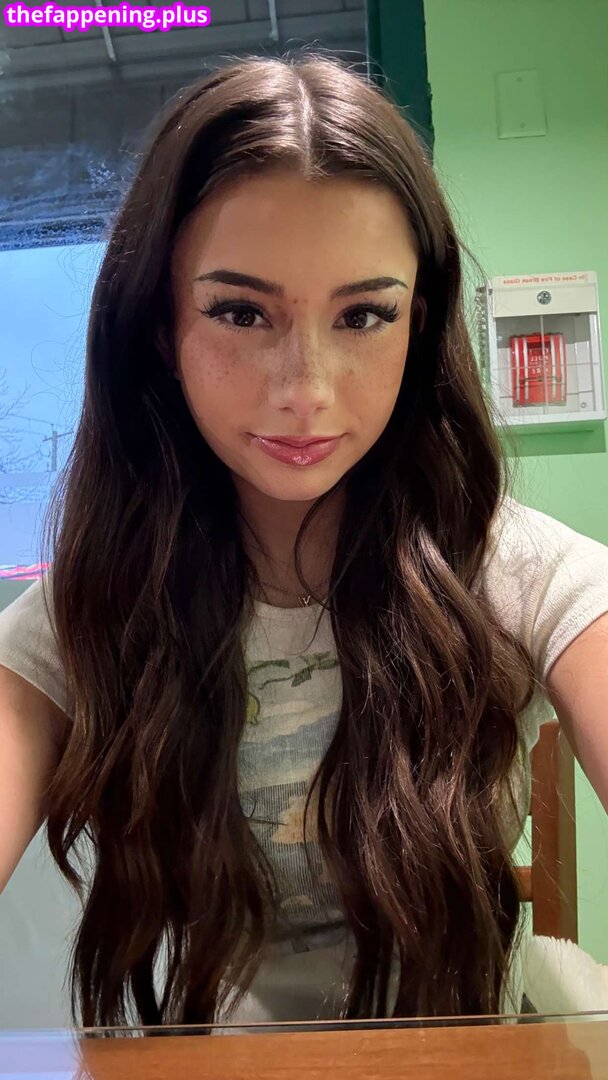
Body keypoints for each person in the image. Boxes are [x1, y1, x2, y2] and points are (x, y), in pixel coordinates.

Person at [0, 52, 607, 1033]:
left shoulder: (522, 574)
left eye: (363, 315)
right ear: (158, 329)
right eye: (241, 313)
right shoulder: (95, 601)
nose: (306, 389)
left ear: (418, 326)